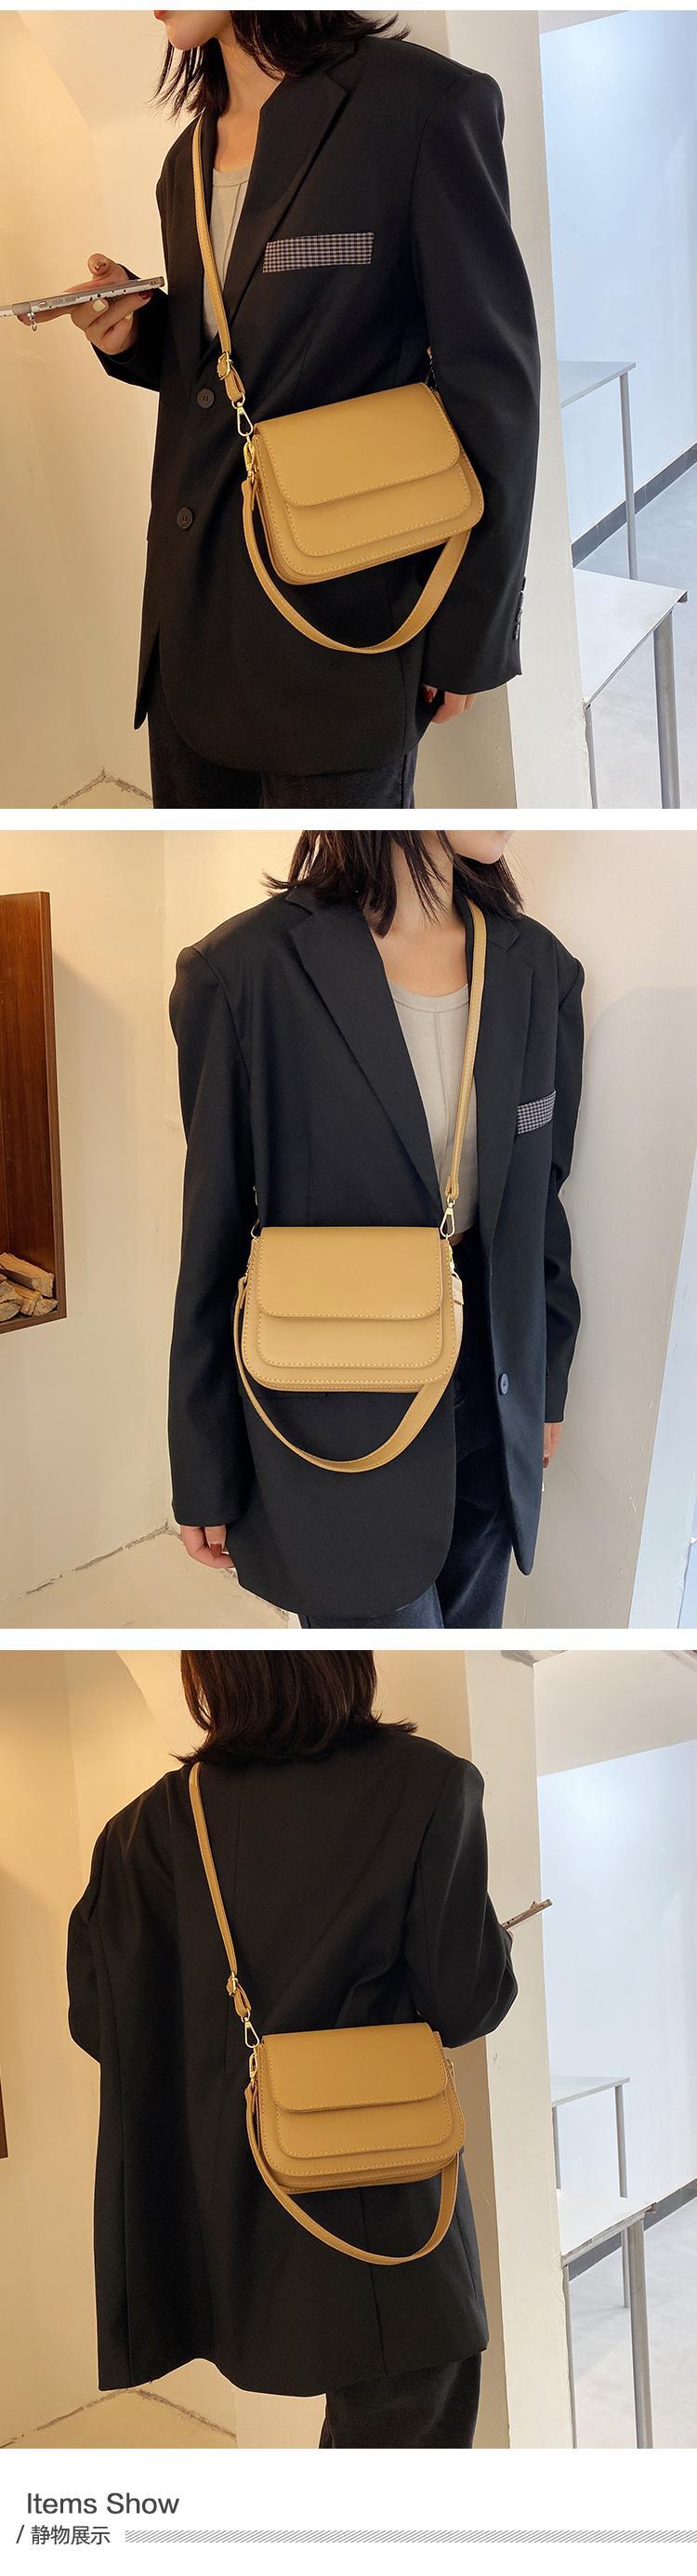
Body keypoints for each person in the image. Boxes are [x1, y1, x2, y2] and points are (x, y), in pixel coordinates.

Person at [50, 11, 539, 808]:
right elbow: (220, 366)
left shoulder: (420, 107)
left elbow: (494, 384)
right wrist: (132, 334)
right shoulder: (185, 160)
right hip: (188, 635)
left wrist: (470, 636)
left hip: (341, 638)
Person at [67, 1647, 516, 2449]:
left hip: (235, 2224)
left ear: (208, 1672)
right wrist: (493, 1945)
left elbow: (103, 2028)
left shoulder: (141, 1833)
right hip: (393, 2216)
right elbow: (467, 2002)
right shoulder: (428, 1784)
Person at [169, 829, 584, 1625]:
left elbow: (542, 1202)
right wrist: (203, 1458)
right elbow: (213, 1236)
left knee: (469, 1646)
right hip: (335, 1419)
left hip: (493, 1406)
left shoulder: (540, 969)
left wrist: (548, 1377)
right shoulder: (247, 971)